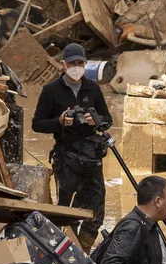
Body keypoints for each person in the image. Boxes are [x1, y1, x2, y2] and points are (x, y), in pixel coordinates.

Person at [32, 43, 112, 249]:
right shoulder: (51, 90)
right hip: (66, 156)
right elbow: (37, 124)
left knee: (95, 211)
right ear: (63, 64)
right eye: (72, 63)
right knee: (66, 211)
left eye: (80, 63)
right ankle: (65, 251)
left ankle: (83, 250)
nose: (76, 67)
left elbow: (107, 119)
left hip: (92, 157)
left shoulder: (92, 88)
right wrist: (58, 122)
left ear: (85, 64)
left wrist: (95, 121)